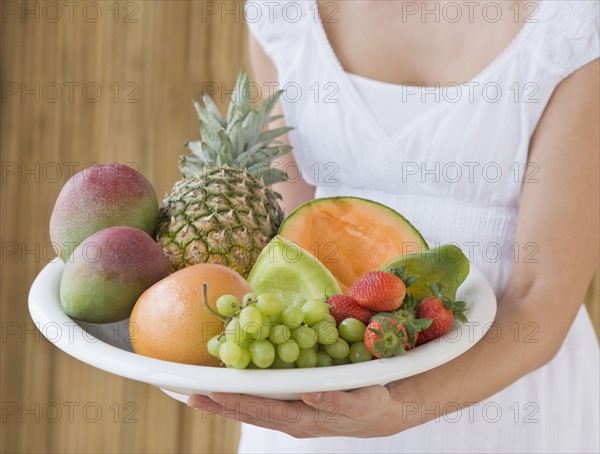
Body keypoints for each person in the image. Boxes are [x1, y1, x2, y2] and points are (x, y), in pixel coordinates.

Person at [188, 1, 600, 452]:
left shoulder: (573, 26)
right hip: (321, 407)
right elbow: (285, 243)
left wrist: (399, 408)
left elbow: (539, 299)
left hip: (506, 406)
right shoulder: (284, 13)